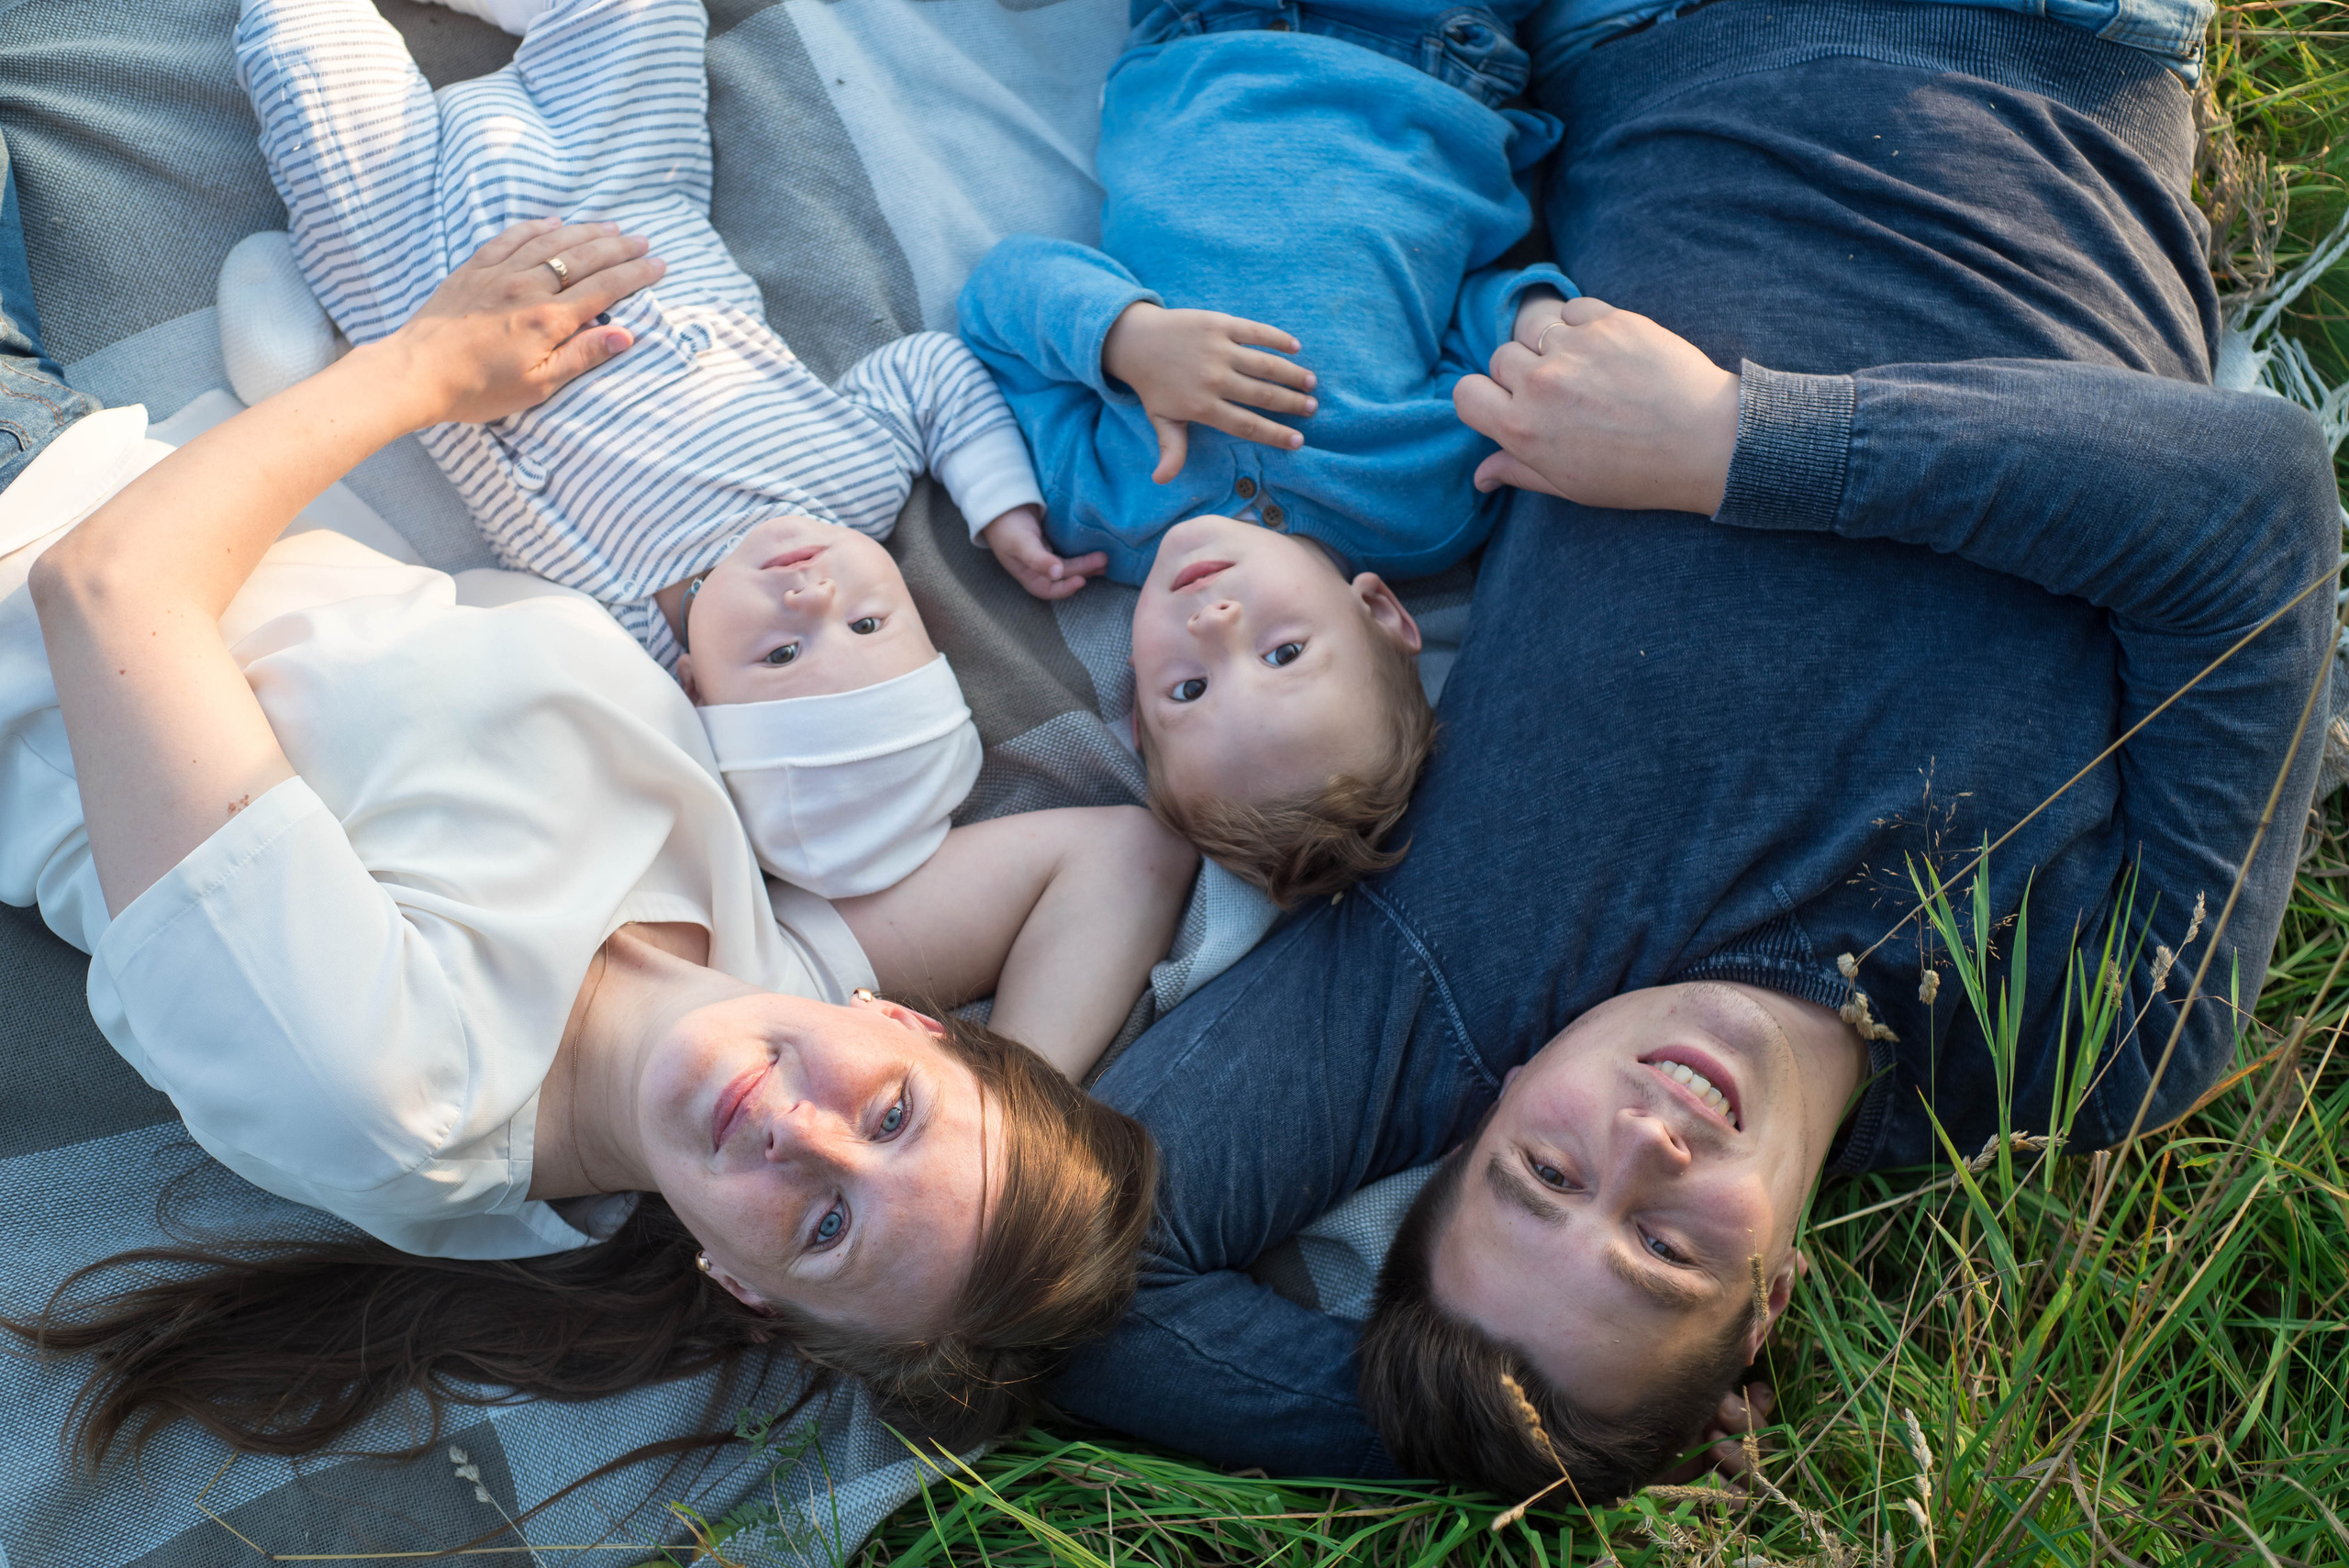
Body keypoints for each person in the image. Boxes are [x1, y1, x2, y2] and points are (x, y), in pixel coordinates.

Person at [1044, 0, 2339, 1501]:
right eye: (1667, 1250)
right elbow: (2256, 509)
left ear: (1492, 1103)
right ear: (1764, 1307)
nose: (1647, 1139)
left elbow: (1086, 1281)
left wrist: (1519, 1435)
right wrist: (1738, 437)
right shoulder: (2099, 1035)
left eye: (1545, 1171)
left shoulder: (1461, 970)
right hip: (2046, 44)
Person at [1, 219, 1165, 1462]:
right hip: (96, 434)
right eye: (894, 1118)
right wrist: (999, 1163)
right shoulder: (770, 974)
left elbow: (109, 590)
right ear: (910, 1021)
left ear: (741, 1282)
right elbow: (1121, 860)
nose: (796, 1131)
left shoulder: (388, 1088)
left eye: (827, 1228)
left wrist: (424, 371)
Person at [230, 0, 1137, 973]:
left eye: (782, 654)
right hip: (621, 193)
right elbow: (927, 373)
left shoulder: (621, 620)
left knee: (296, 47)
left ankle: (305, 344)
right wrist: (999, 502)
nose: (813, 596)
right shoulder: (856, 483)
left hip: (417, 263)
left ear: (695, 686)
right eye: (871, 628)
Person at [955, 0, 1575, 905]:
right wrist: (1535, 319)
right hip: (1423, 61)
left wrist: (1126, 338)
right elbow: (1477, 316)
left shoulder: (1099, 504)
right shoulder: (1423, 502)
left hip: (1204, 37)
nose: (1213, 624)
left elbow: (1003, 298)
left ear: (1133, 712)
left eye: (1189, 688)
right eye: (1284, 653)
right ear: (1381, 612)